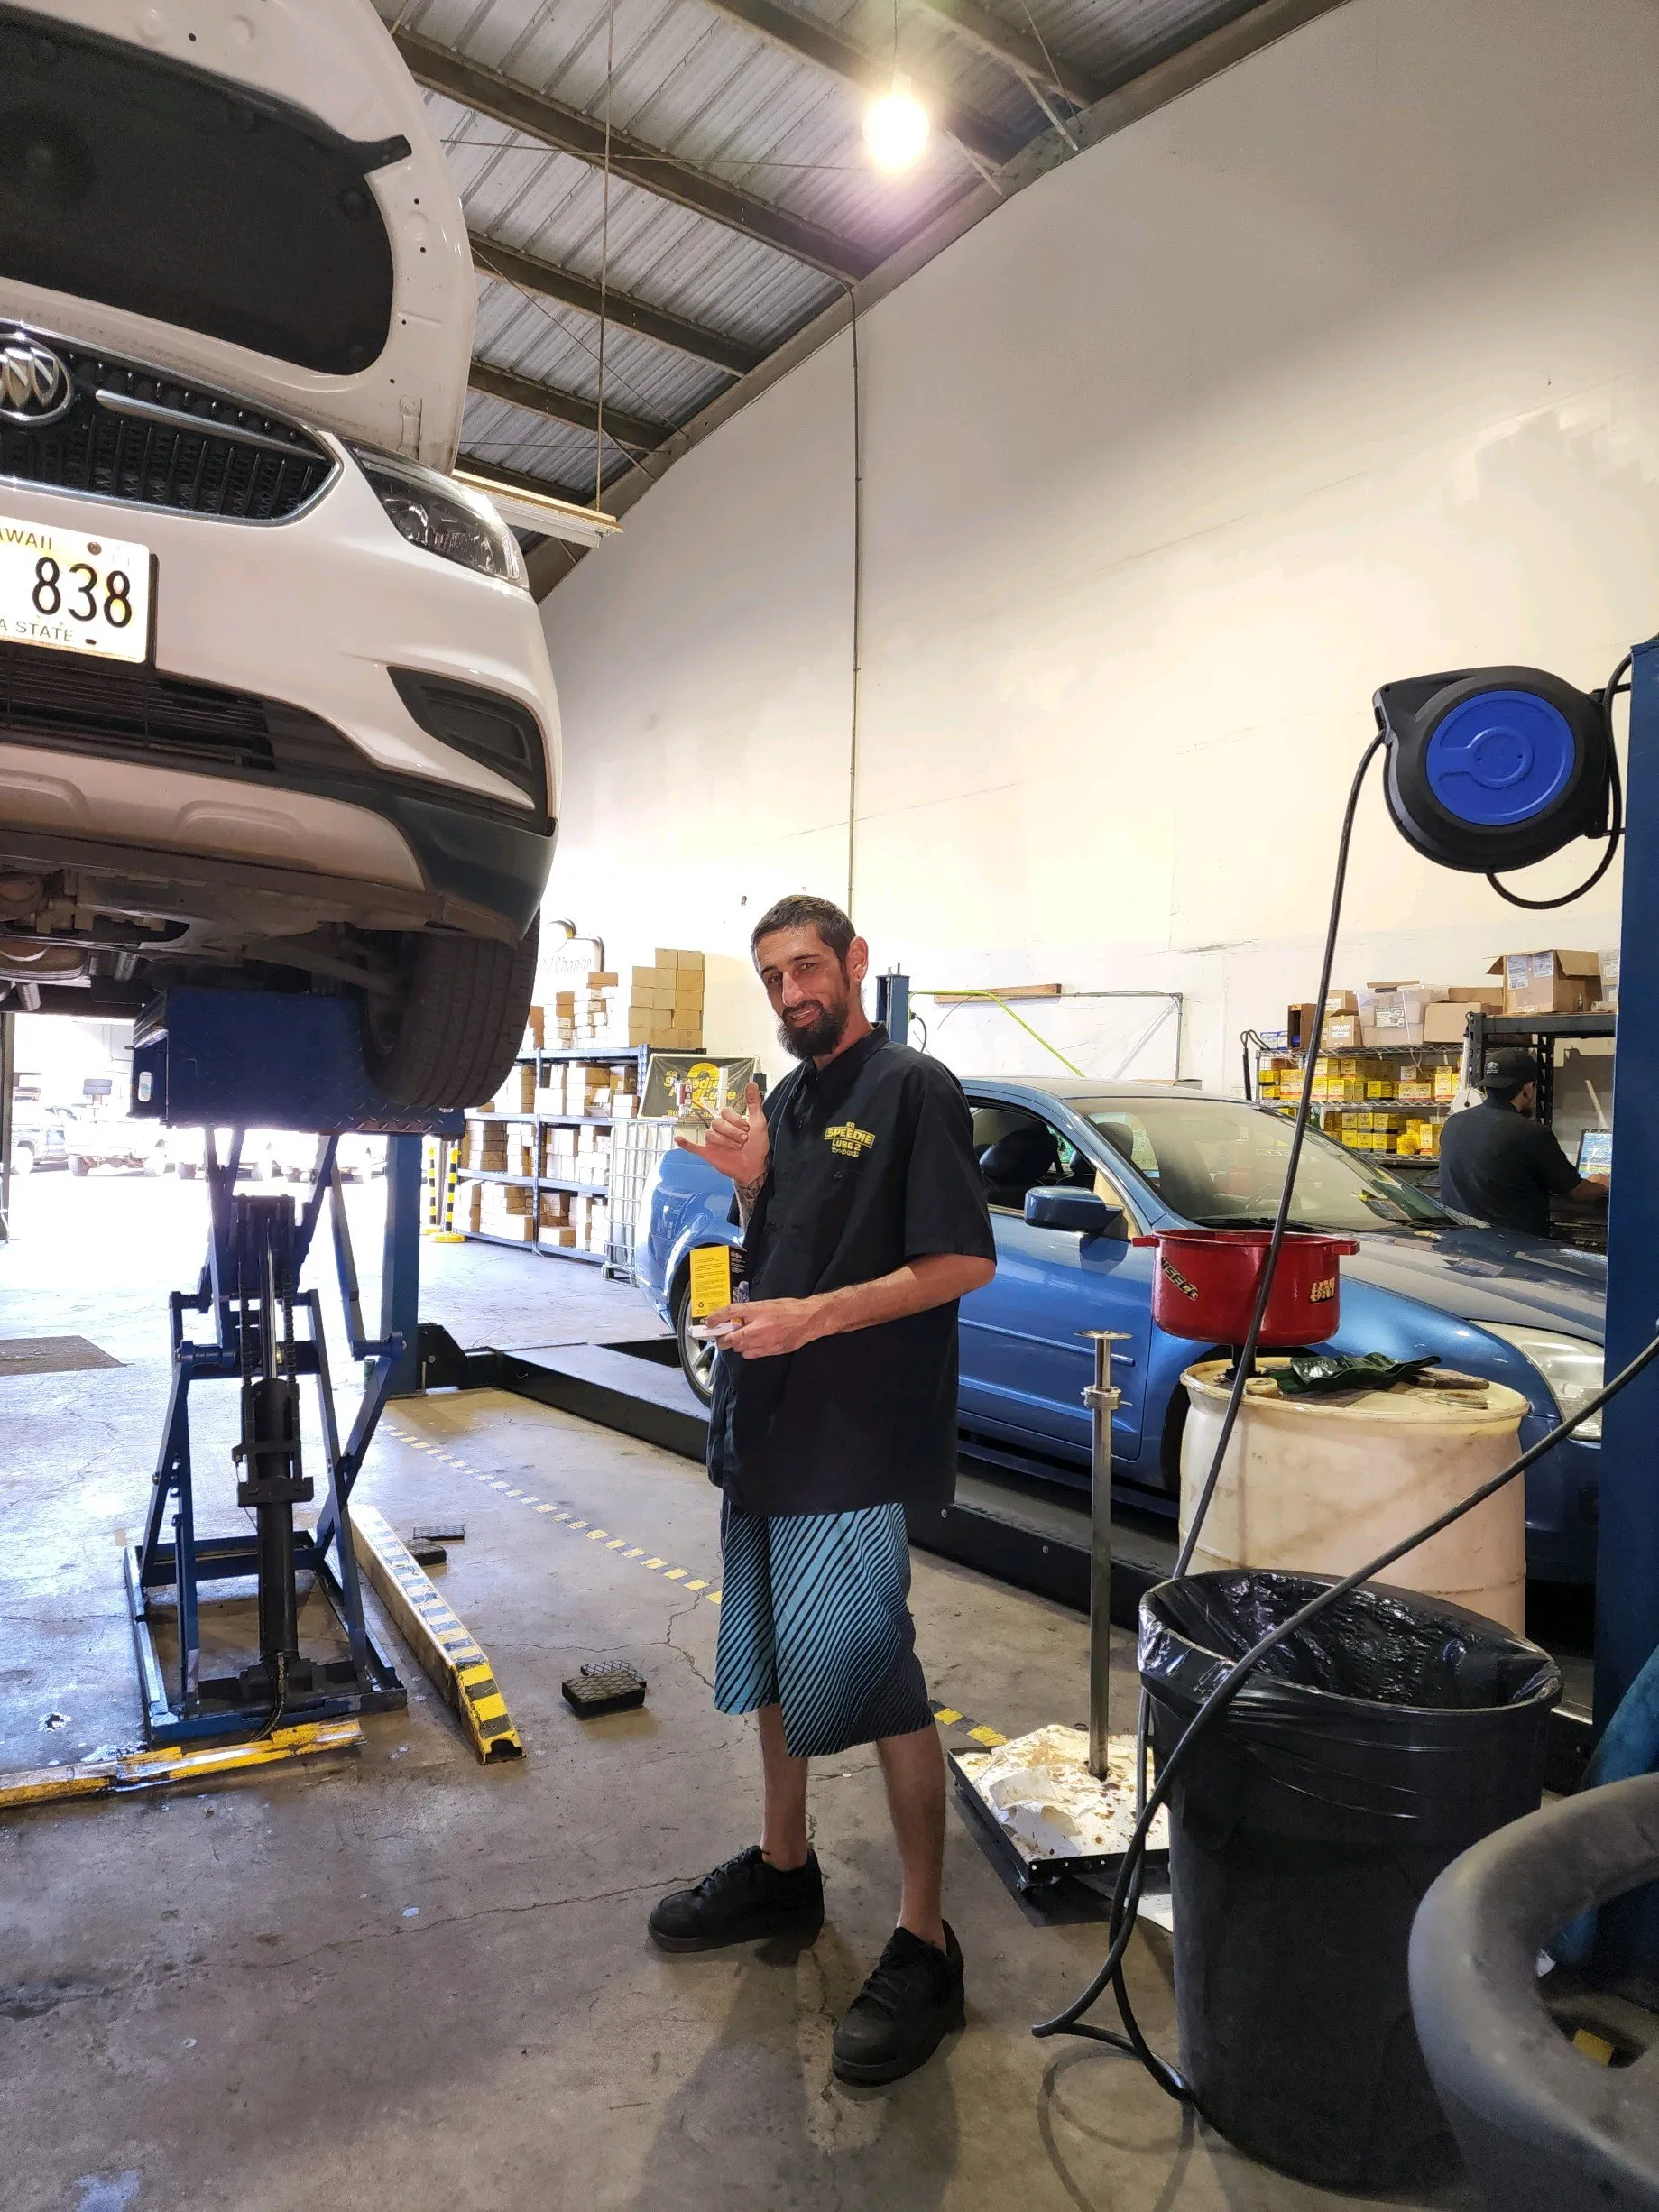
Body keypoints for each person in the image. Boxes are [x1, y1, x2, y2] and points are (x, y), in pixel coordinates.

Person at [647, 893, 997, 2086]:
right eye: (773, 978)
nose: (792, 993)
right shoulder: (785, 1103)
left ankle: (924, 1940)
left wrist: (811, 1319)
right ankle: (784, 1868)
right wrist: (749, 1190)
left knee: (876, 1680)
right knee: (770, 1662)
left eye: (807, 968)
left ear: (854, 962)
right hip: (767, 1430)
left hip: (854, 1438)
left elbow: (961, 1260)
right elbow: (779, 1253)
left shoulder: (913, 1088)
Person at [1437, 1045, 1609, 1238]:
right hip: (1512, 1249)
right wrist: (1602, 1183)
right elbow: (1579, 1192)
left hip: (1457, 1244)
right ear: (1528, 1088)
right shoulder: (1531, 1133)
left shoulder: (1452, 1124)